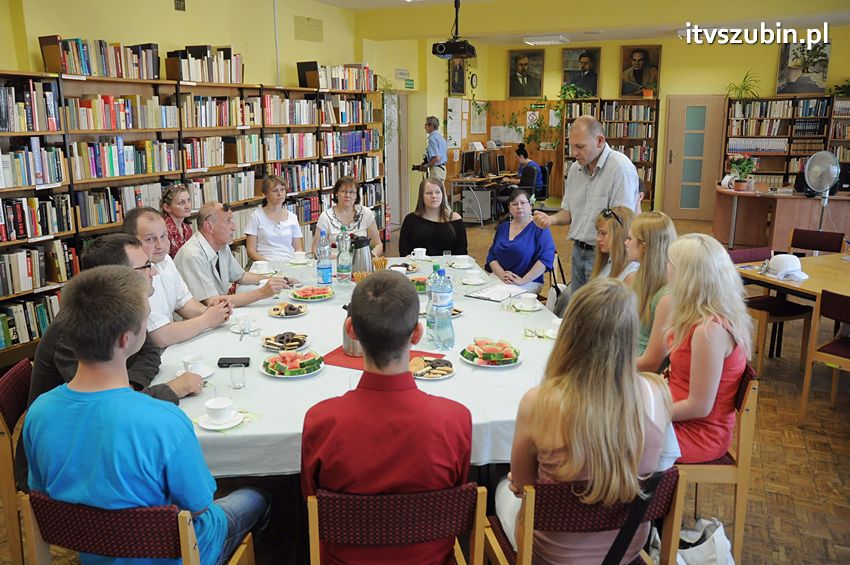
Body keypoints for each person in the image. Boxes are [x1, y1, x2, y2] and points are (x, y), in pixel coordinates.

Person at [23, 265, 270, 565]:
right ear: (127, 339)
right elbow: (199, 506)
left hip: (93, 553)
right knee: (261, 495)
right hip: (181, 552)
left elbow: (42, 493)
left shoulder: (38, 413)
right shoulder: (163, 420)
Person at [495, 278, 672, 562]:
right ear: (630, 335)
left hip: (552, 552)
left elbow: (524, 488)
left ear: (570, 333)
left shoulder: (538, 402)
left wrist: (517, 481)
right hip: (626, 548)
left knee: (502, 487)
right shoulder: (657, 394)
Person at [301, 270, 471, 563]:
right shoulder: (455, 420)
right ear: (417, 334)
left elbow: (310, 500)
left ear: (350, 330)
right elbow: (454, 493)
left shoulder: (322, 421)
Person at [14, 233, 203, 491]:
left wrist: (131, 391)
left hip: (95, 440)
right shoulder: (74, 331)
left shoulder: (122, 314)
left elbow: (148, 353)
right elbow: (96, 409)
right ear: (117, 276)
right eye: (146, 266)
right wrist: (165, 391)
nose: (154, 272)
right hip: (71, 459)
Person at [666, 234, 752, 464]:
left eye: (670, 265)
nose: (666, 269)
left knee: (608, 438)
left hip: (697, 434)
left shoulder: (709, 332)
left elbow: (700, 406)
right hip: (680, 419)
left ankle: (643, 499)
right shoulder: (700, 319)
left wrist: (649, 413)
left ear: (687, 278)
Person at [532, 115, 639, 296]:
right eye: (572, 146)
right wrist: (551, 219)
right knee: (578, 305)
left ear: (599, 141)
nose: (574, 152)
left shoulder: (620, 169)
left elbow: (623, 221)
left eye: (580, 147)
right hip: (578, 251)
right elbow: (569, 212)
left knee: (597, 310)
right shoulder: (575, 169)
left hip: (605, 255)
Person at [124, 207, 233, 348]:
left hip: (170, 346)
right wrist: (207, 319)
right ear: (132, 243)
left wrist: (215, 311)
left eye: (163, 236)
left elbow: (185, 303)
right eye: (150, 239)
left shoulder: (166, 261)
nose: (160, 245)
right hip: (152, 353)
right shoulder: (137, 274)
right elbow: (160, 337)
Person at [175, 201, 292, 307]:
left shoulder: (222, 246)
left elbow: (241, 276)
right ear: (209, 227)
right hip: (197, 321)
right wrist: (262, 292)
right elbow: (214, 303)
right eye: (227, 221)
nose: (234, 227)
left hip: (217, 314)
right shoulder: (192, 255)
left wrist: (276, 280)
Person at [627, 211, 677, 371]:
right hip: (628, 360)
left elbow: (653, 362)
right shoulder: (632, 279)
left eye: (629, 238)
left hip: (643, 375)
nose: (625, 243)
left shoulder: (666, 297)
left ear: (644, 246)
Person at [486, 189, 555, 294]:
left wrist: (521, 280)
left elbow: (546, 260)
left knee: (506, 299)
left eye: (523, 203)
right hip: (500, 278)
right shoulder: (502, 227)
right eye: (514, 204)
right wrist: (502, 275)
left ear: (530, 206)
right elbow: (492, 256)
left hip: (529, 281)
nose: (519, 206)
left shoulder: (540, 228)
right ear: (509, 208)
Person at [313, 176, 384, 256]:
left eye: (352, 192)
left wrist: (370, 256)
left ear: (356, 195)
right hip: (335, 264)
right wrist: (329, 257)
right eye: (343, 191)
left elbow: (378, 244)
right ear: (336, 193)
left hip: (361, 264)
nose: (347, 195)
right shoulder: (325, 217)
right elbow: (315, 249)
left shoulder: (366, 213)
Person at [398, 177, 467, 257]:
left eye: (437, 192)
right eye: (429, 193)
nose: (434, 196)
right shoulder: (410, 220)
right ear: (422, 196)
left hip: (449, 267)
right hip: (419, 267)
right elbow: (404, 251)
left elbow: (462, 252)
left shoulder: (455, 219)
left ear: (443, 194)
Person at [245, 175, 304, 262]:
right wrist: (269, 264)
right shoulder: (256, 216)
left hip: (289, 263)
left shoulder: (292, 217)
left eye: (282, 189)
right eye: (275, 191)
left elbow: (299, 249)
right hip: (265, 265)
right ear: (265, 194)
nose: (280, 194)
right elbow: (251, 251)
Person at [591, 206, 638, 284]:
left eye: (603, 233)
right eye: (598, 233)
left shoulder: (631, 275)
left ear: (619, 236)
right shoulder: (608, 261)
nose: (598, 238)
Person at [161, 184, 194, 258]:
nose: (187, 206)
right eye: (181, 203)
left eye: (188, 200)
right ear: (167, 207)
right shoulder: (164, 231)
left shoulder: (187, 228)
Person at [419, 116, 448, 181]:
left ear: (431, 126)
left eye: (426, 125)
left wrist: (426, 166)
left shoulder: (432, 139)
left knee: (435, 190)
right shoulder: (440, 137)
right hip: (442, 169)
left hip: (436, 170)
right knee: (440, 190)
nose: (424, 127)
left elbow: (437, 158)